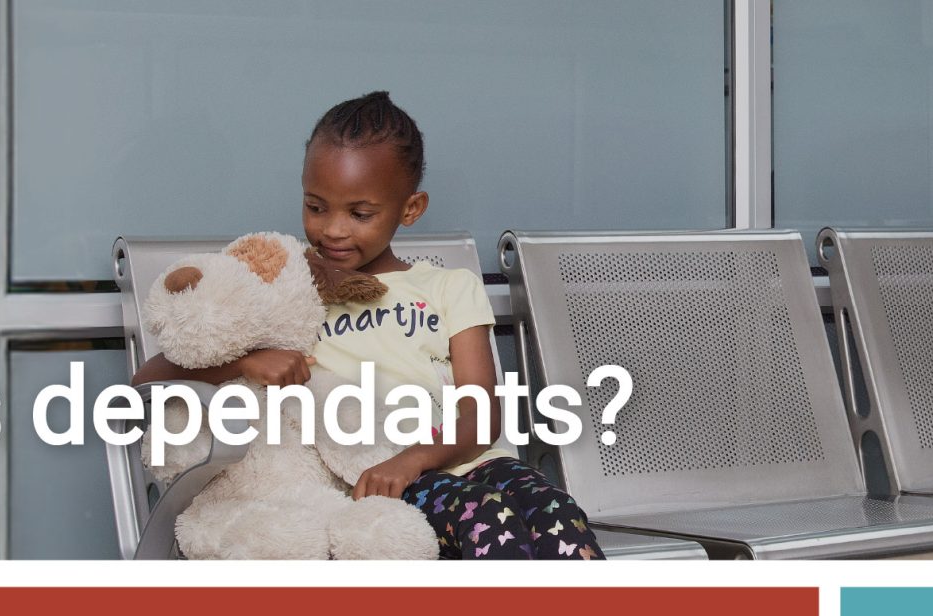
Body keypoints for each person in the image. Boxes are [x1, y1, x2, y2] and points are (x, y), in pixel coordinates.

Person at [131, 91, 602, 560]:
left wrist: (416, 456)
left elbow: (481, 418)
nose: (333, 229)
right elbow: (148, 381)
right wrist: (250, 362)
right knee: (485, 518)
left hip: (473, 462)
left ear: (410, 209)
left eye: (360, 214)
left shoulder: (449, 287)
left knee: (558, 514)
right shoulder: (294, 291)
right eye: (316, 207)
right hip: (385, 486)